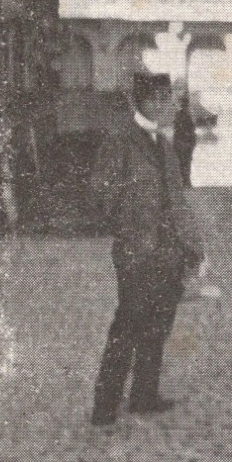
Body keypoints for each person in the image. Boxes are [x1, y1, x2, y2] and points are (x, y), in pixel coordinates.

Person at [89, 73, 207, 427]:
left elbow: (177, 198)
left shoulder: (165, 144)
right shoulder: (120, 140)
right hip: (137, 252)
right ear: (152, 101)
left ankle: (144, 395)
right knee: (128, 324)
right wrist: (131, 230)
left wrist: (193, 246)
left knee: (159, 323)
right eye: (169, 99)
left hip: (169, 251)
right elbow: (101, 193)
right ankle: (105, 406)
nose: (175, 106)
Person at [172, 92, 197, 187]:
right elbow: (191, 130)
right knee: (186, 162)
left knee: (181, 162)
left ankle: (184, 181)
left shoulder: (179, 115)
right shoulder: (188, 115)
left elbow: (177, 129)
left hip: (181, 141)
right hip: (186, 142)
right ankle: (186, 181)